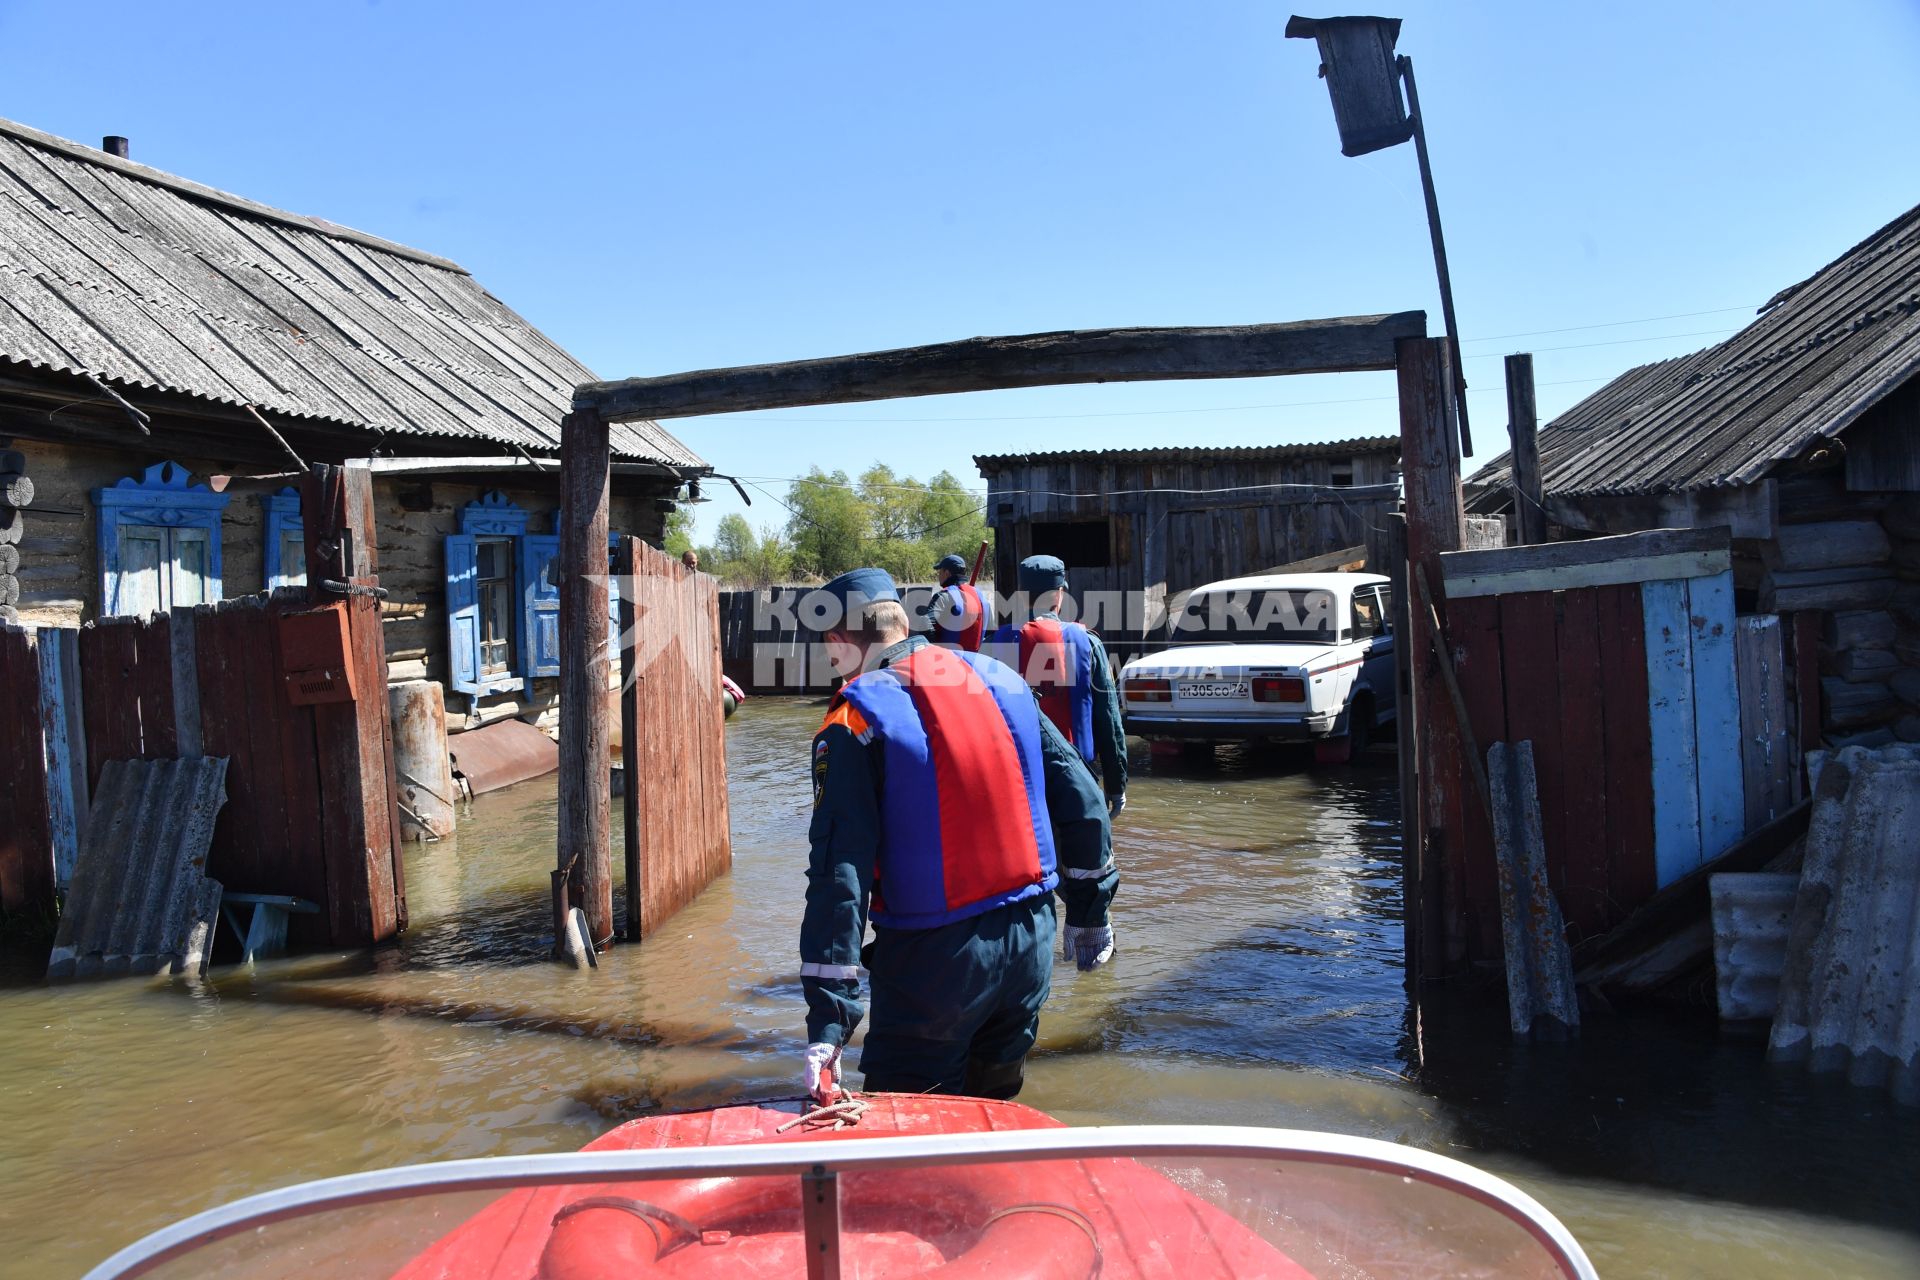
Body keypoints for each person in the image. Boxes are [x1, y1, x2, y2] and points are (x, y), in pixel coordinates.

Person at [800, 567, 1119, 1105]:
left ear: (839, 640)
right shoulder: (1003, 679)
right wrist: (1090, 908)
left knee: (910, 1128)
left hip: (934, 962)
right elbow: (1082, 796)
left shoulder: (855, 716)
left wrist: (830, 1020)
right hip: (1030, 943)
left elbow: (840, 868)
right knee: (989, 1112)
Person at [988, 554, 1128, 817]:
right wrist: (1116, 784)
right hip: (1077, 775)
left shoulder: (999, 643)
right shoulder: (1087, 643)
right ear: (1060, 594)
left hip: (1019, 777)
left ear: (1021, 596)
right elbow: (1108, 719)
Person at [919, 551, 994, 652]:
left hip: (948, 659)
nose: (939, 576)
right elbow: (990, 632)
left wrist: (934, 648)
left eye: (940, 572)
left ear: (947, 573)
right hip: (974, 660)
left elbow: (925, 623)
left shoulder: (944, 595)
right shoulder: (981, 597)